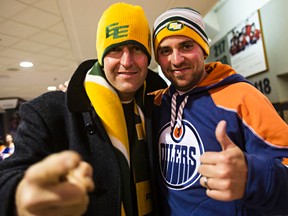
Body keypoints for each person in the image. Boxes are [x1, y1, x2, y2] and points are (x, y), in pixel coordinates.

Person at [0, 3, 167, 216]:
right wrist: (21, 194)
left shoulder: (161, 105)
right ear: (101, 56)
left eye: (137, 49)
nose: (127, 61)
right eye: (115, 49)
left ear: (148, 57)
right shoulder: (51, 111)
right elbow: (8, 175)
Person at [150, 7, 288, 215]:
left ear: (204, 49)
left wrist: (253, 175)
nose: (176, 60)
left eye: (186, 46)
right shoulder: (155, 104)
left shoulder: (242, 96)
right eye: (165, 51)